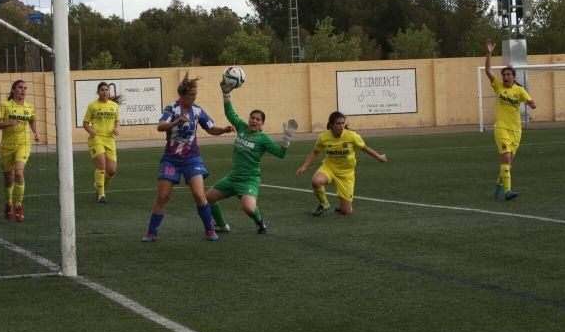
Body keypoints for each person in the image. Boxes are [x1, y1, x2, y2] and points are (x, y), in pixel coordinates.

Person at [141, 73, 234, 242]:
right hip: (171, 159)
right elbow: (160, 126)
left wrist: (224, 130)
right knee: (163, 196)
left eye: (195, 94)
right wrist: (175, 122)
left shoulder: (197, 111)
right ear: (182, 95)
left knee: (199, 195)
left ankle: (209, 229)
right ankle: (151, 232)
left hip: (192, 159)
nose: (194, 97)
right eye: (191, 94)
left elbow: (210, 128)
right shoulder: (172, 108)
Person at [206, 78, 297, 235]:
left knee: (248, 208)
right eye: (252, 117)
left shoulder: (263, 139)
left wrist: (287, 138)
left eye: (258, 119)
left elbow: (281, 154)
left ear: (262, 123)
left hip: (249, 180)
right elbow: (230, 113)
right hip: (233, 178)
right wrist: (226, 94)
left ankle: (260, 223)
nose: (254, 120)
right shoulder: (241, 127)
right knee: (207, 199)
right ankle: (222, 226)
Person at [296, 111, 387, 215]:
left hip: (346, 173)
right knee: (316, 181)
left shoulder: (351, 136)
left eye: (343, 123)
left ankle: (342, 206)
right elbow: (315, 152)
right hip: (330, 167)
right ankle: (324, 204)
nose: (341, 126)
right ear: (331, 124)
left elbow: (364, 148)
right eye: (338, 124)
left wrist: (378, 156)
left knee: (347, 211)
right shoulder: (323, 137)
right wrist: (304, 166)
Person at [484, 39, 536, 200]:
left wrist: (531, 103)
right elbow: (487, 70)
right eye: (504, 74)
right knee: (505, 158)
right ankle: (508, 192)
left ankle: (500, 184)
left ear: (513, 77)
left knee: (508, 163)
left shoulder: (519, 90)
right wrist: (489, 53)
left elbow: (528, 99)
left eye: (508, 75)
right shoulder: (498, 86)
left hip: (516, 130)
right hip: (501, 128)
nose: (506, 77)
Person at [0, 80, 38, 222]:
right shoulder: (5, 105)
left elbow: (32, 120)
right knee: (8, 179)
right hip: (7, 147)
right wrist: (8, 123)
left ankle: (19, 207)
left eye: (25, 88)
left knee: (19, 173)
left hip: (23, 145)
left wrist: (35, 132)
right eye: (20, 87)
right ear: (13, 90)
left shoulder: (30, 107)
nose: (23, 90)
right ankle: (8, 203)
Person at [83, 82, 122, 203]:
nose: (105, 92)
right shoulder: (92, 106)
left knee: (111, 171)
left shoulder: (114, 105)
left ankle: (99, 184)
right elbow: (85, 123)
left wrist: (116, 129)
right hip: (96, 138)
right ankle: (101, 194)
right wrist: (91, 131)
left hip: (109, 140)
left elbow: (117, 121)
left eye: (106, 90)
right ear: (98, 92)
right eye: (102, 90)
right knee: (101, 165)